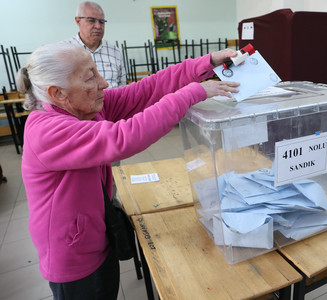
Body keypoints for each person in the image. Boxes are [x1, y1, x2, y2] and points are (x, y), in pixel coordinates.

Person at [18, 42, 239, 299]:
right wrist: (193, 93)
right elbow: (124, 137)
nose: (104, 83)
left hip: (94, 234)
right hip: (72, 256)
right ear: (58, 93)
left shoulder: (85, 109)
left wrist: (206, 62)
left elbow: (145, 90)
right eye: (91, 77)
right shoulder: (46, 131)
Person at [64, 1, 126, 88]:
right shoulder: (64, 51)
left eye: (101, 22)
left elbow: (122, 86)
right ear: (78, 21)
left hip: (113, 101)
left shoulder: (115, 51)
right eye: (91, 21)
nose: (98, 26)